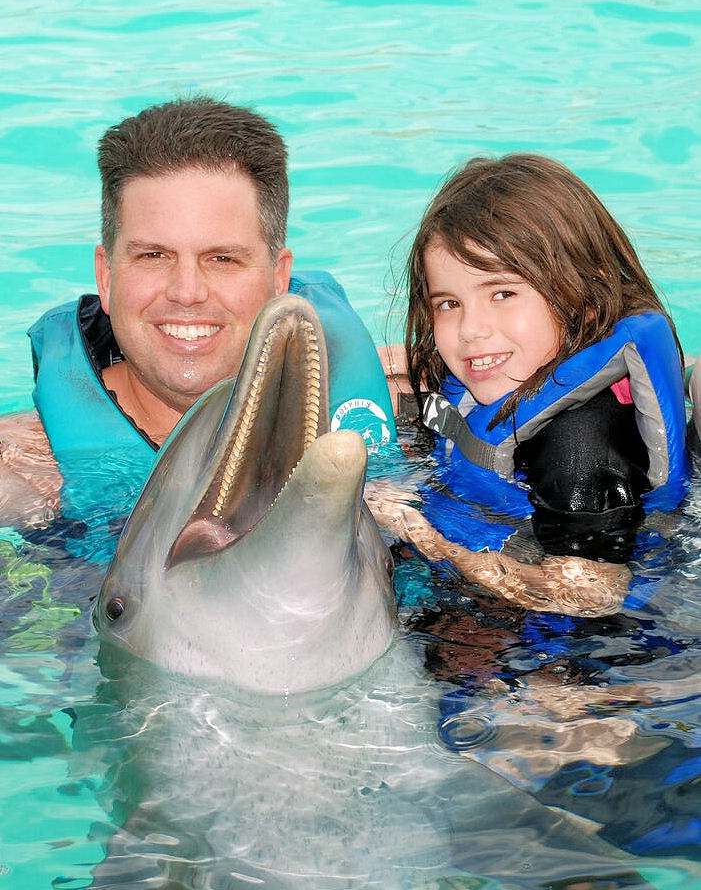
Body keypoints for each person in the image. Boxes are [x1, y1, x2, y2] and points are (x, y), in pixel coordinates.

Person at [0, 96, 395, 535]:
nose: (187, 292)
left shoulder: (400, 420)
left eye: (222, 258)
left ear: (279, 279)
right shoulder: (24, 472)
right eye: (153, 255)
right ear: (106, 277)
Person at [368, 153, 691, 615]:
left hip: (573, 656)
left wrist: (422, 534)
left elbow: (591, 598)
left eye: (503, 294)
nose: (470, 330)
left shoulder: (580, 453)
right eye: (448, 303)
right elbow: (447, 411)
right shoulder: (505, 370)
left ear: (583, 293)